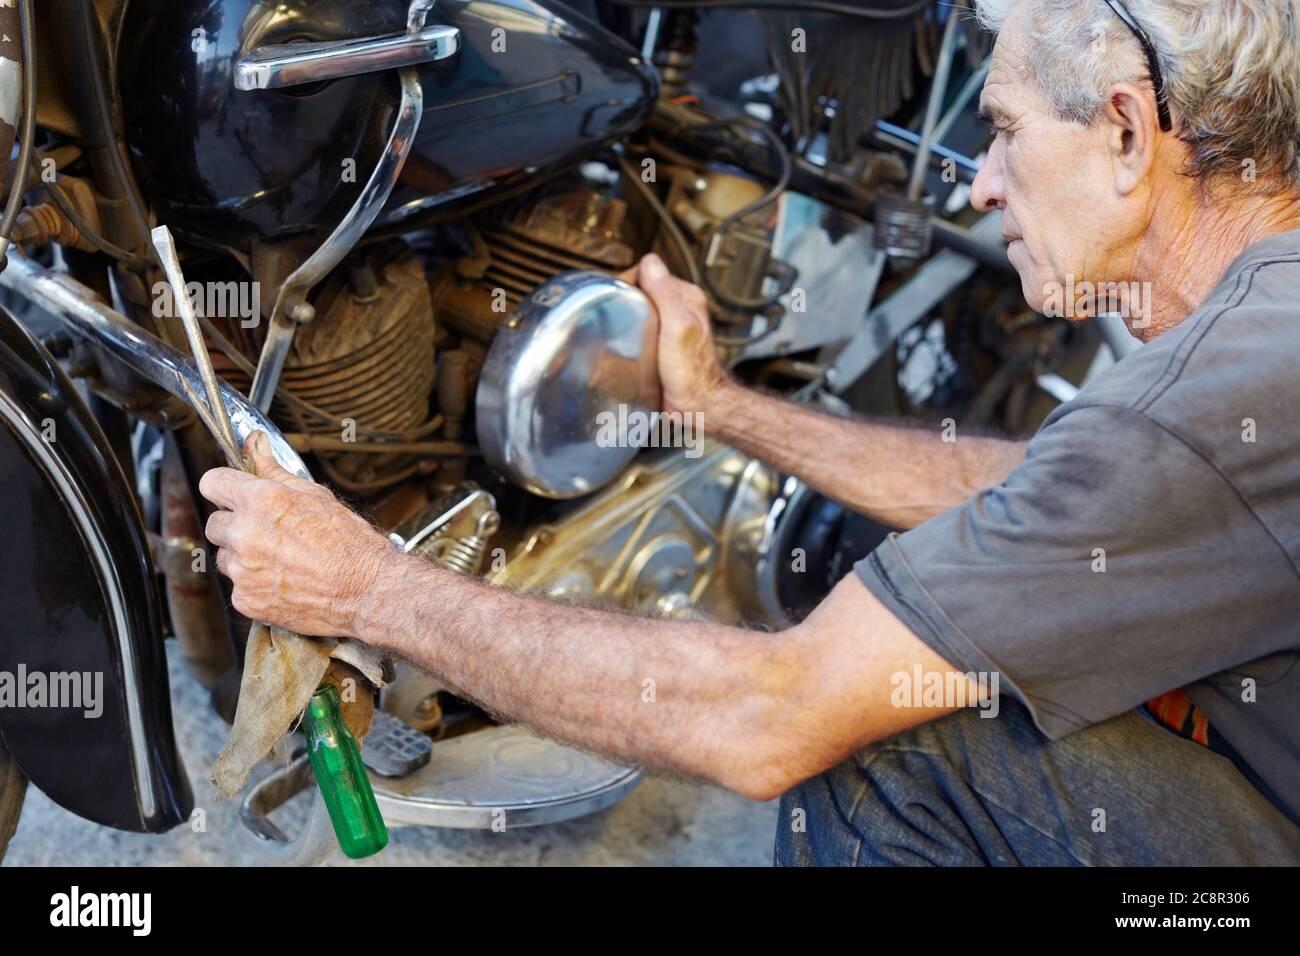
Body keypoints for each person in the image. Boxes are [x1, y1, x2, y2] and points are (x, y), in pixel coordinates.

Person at [200, 0, 1300, 864]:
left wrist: (364, 589)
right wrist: (720, 406)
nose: (979, 185)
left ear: (1123, 129)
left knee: (891, 745)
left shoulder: (1197, 403)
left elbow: (771, 717)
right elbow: (1044, 486)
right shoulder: (1256, 329)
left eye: (1005, 131)